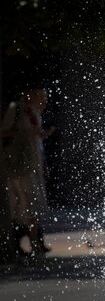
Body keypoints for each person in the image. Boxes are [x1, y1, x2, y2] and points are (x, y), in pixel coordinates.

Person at [1, 88, 55, 257]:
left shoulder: (34, 114)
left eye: (45, 97)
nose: (44, 101)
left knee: (32, 206)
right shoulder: (16, 110)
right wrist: (24, 134)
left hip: (33, 166)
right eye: (41, 96)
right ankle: (31, 244)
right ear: (29, 94)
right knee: (25, 205)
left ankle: (34, 242)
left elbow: (37, 143)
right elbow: (3, 132)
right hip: (19, 167)